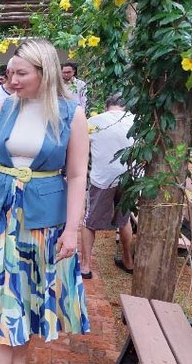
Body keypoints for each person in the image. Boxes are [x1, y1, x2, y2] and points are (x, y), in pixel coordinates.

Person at [0, 39, 90, 364]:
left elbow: (76, 176)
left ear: (44, 71)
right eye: (9, 73)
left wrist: (73, 230)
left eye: (20, 73)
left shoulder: (71, 114)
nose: (11, 81)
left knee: (24, 301)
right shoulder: (6, 106)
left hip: (41, 221)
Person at [80, 93, 135, 278]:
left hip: (102, 179)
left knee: (89, 222)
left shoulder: (93, 121)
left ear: (106, 106)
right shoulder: (136, 121)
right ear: (125, 106)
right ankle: (128, 261)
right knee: (124, 220)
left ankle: (86, 266)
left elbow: (82, 151)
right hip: (129, 178)